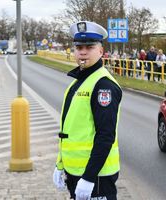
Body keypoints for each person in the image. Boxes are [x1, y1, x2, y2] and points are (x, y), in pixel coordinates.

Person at [53, 21, 122, 200]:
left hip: (96, 178)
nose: (83, 51)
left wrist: (89, 177)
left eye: (89, 47)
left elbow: (105, 136)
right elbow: (71, 131)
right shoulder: (78, 82)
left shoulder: (103, 85)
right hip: (76, 173)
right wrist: (60, 164)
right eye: (79, 47)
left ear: (100, 51)